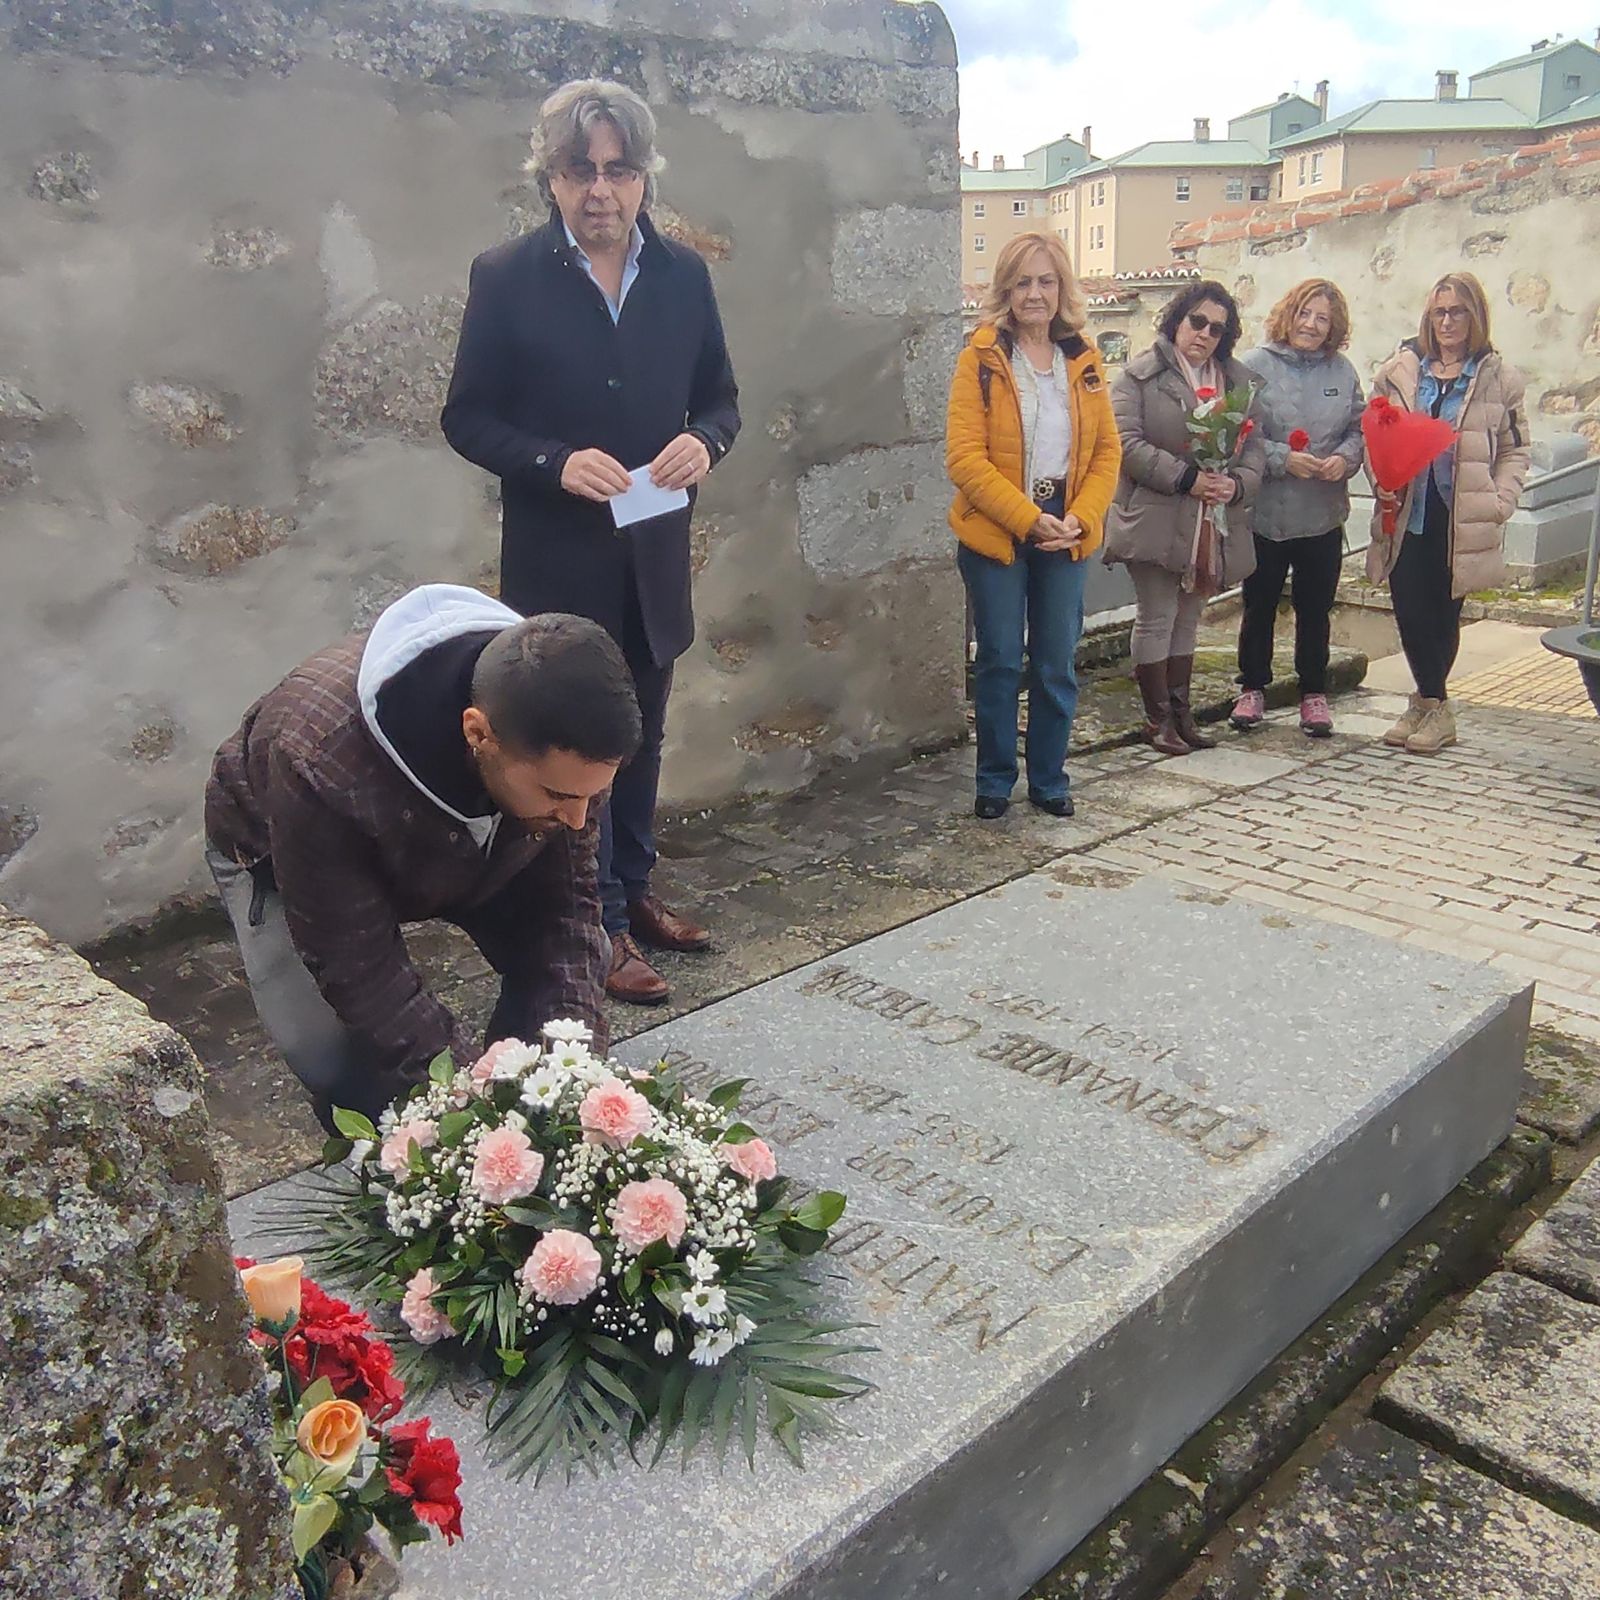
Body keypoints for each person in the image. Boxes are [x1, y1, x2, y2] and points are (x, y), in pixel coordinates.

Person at [441, 78, 740, 1005]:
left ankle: (633, 892)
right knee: (576, 749)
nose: (600, 190)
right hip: (558, 564)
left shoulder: (686, 277)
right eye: (580, 171)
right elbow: (468, 419)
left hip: (653, 556)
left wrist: (707, 443)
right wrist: (552, 461)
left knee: (641, 738)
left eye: (618, 170)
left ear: (644, 179)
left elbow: (723, 401)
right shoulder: (507, 276)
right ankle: (592, 926)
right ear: (553, 179)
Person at [204, 585, 642, 1130]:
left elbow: (568, 918)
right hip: (275, 850)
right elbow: (359, 969)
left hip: (476, 839)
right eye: (560, 797)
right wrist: (472, 1109)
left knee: (564, 975)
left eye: (592, 797)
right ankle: (392, 1177)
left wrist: (563, 1088)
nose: (578, 820)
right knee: (338, 1062)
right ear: (477, 732)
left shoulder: (558, 723)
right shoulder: (318, 763)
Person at [945, 231, 1121, 820]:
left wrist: (1081, 516)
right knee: (998, 658)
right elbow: (964, 459)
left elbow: (1106, 455)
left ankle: (1049, 776)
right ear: (1005, 290)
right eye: (1022, 281)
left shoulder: (1084, 360)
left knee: (1055, 661)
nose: (1034, 294)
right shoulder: (981, 359)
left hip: (1066, 530)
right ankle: (995, 778)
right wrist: (1029, 518)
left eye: (1046, 281)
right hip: (999, 529)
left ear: (1063, 287)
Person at [1368, 272, 1530, 754]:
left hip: (1462, 515)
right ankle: (1430, 704)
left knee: (1443, 613)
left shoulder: (1500, 378)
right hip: (1408, 512)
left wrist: (1502, 500)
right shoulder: (1399, 371)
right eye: (1439, 312)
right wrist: (1382, 485)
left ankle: (1430, 706)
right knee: (1408, 607)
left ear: (1475, 316)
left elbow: (1516, 450)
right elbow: (1374, 434)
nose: (1447, 321)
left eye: (1457, 311)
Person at [1103, 281, 1264, 754]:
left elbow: (1254, 445)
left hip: (1211, 520)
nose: (1204, 334)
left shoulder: (1238, 383)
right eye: (1197, 321)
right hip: (1155, 515)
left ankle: (1183, 714)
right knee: (1158, 616)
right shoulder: (1138, 377)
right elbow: (1125, 443)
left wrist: (1236, 484)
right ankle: (1158, 721)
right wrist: (1186, 477)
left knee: (1190, 617)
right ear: (1177, 319)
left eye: (1217, 328)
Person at [1233, 279, 1365, 738]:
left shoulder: (1343, 372)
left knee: (1315, 608)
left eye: (1322, 318)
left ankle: (1314, 693)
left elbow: (1359, 429)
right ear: (1288, 314)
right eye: (1305, 313)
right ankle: (1252, 688)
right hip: (1266, 512)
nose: (1311, 325)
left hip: (1322, 513)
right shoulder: (1253, 365)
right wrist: (1281, 458)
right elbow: (1239, 432)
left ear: (1334, 327)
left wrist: (1344, 460)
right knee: (1259, 604)